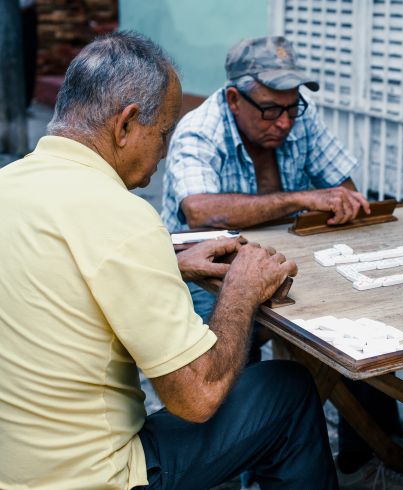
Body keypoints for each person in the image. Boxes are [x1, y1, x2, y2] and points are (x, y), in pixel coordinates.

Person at [0, 31, 337, 489]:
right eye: (162, 135)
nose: (163, 152)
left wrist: (167, 261)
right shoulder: (121, 216)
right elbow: (197, 398)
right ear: (126, 124)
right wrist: (240, 289)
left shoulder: (10, 184)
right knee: (287, 389)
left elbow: (55, 272)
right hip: (91, 477)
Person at [161, 35, 403, 482]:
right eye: (271, 109)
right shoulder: (200, 130)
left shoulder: (296, 119)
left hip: (285, 263)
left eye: (293, 107)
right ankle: (239, 465)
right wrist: (305, 198)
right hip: (204, 278)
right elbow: (200, 209)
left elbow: (343, 188)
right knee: (228, 377)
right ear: (235, 99)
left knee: (360, 329)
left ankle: (370, 454)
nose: (285, 121)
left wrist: (343, 200)